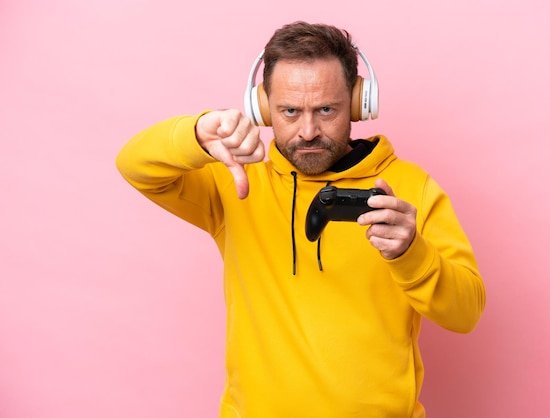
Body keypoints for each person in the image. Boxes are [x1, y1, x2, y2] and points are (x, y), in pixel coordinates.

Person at [116, 21, 486, 418]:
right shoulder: (235, 183)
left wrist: (412, 253)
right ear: (262, 109)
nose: (308, 131)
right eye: (289, 111)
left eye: (327, 109)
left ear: (360, 103)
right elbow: (133, 165)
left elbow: (465, 314)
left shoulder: (411, 189)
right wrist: (193, 135)